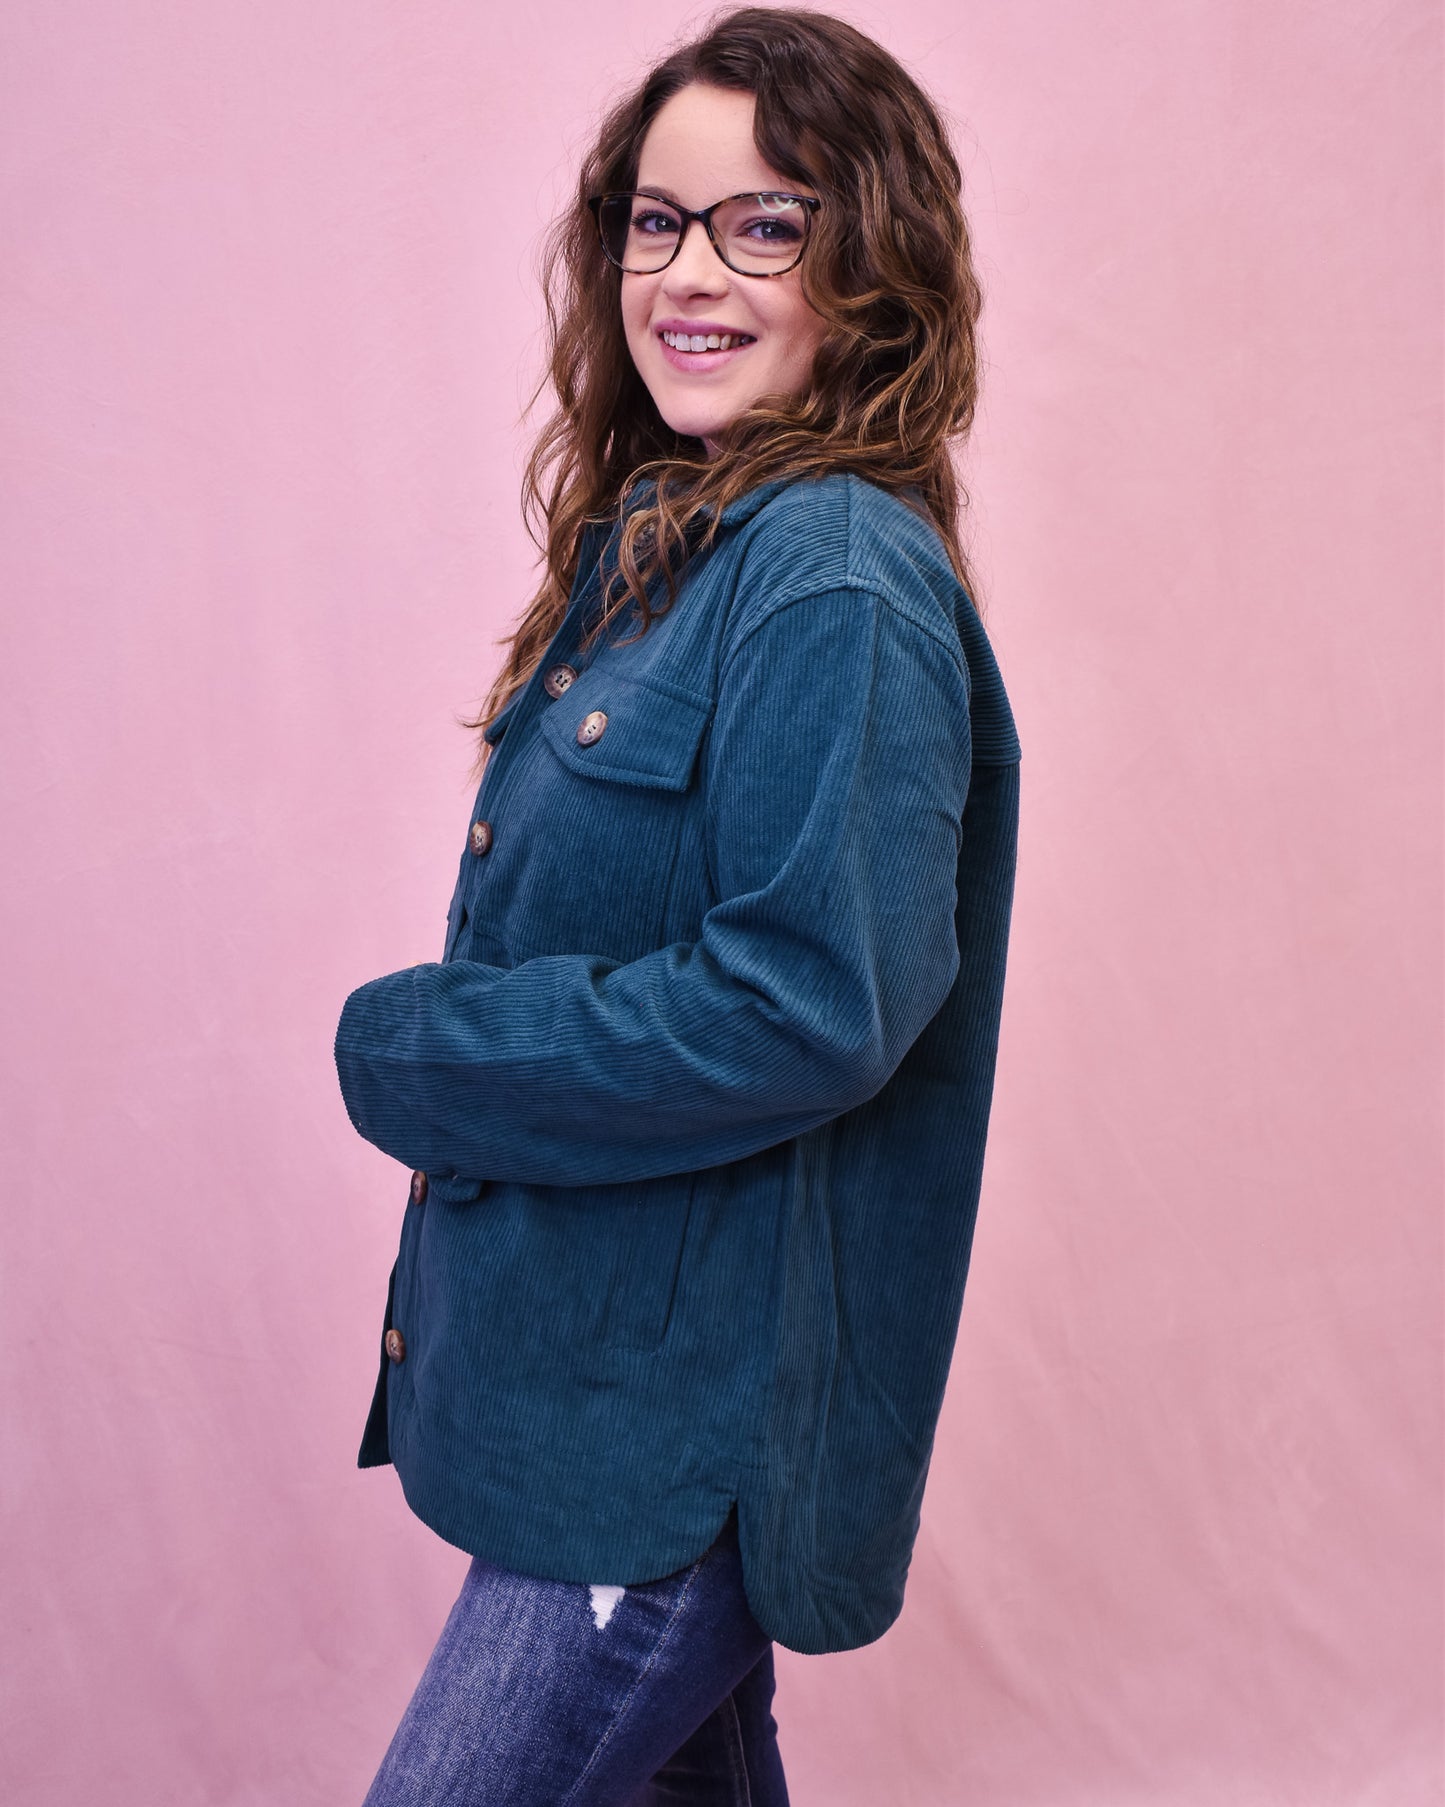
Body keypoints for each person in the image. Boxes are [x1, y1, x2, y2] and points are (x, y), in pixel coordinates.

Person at [333, 7, 1022, 1801]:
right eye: (654, 221)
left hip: (670, 1455)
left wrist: (428, 1049)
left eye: (762, 223)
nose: (686, 272)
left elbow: (813, 999)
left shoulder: (833, 575)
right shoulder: (685, 542)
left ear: (870, 262)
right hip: (597, 1409)